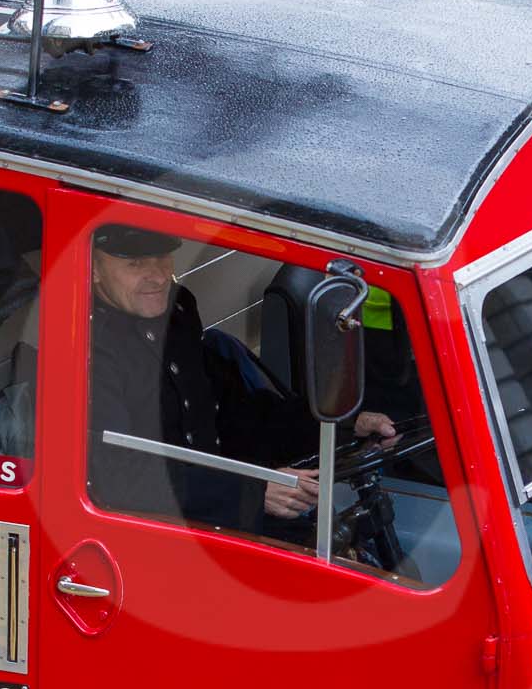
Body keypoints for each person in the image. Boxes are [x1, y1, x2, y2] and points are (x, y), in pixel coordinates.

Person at [87, 224, 394, 536]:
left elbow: (239, 411)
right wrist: (251, 493)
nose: (158, 276)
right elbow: (115, 476)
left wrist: (340, 424)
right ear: (94, 270)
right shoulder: (86, 347)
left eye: (162, 257)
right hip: (152, 533)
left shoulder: (177, 313)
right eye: (134, 264)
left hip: (220, 512)